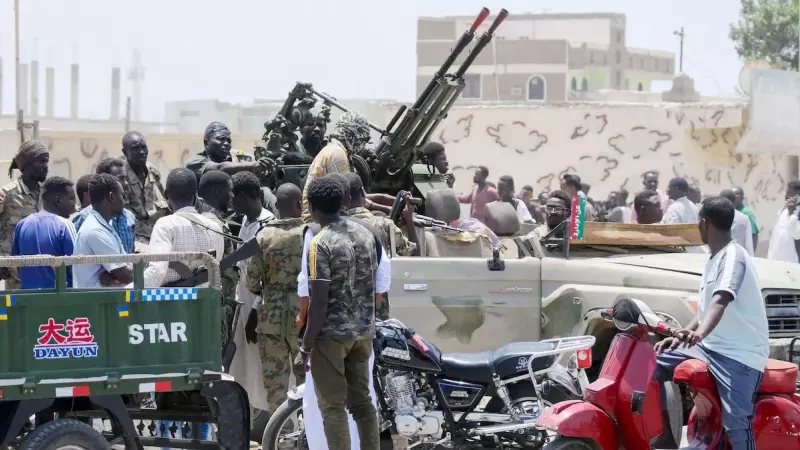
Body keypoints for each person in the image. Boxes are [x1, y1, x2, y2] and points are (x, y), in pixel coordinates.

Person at [654, 196, 768, 450]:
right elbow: (706, 306)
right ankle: (667, 438)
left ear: (704, 223)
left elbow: (722, 299)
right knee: (657, 361)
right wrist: (687, 333)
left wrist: (700, 334)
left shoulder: (733, 256)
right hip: (711, 348)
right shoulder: (714, 257)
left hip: (740, 355)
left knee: (736, 425)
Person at [299, 176, 381, 450]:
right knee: (363, 403)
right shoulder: (366, 233)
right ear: (344, 202)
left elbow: (319, 302)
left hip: (331, 338)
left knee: (333, 408)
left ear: (311, 206)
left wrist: (306, 346)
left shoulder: (319, 243)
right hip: (363, 333)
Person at [242, 182, 305, 420]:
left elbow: (252, 284)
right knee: (307, 382)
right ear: (300, 204)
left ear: (276, 206)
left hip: (271, 320)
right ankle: (307, 436)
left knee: (276, 389)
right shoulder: (311, 233)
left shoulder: (263, 236)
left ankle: (281, 437)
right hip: (303, 319)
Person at [227, 171, 275, 415]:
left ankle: (271, 419)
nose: (230, 201)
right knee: (242, 361)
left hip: (257, 304)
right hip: (242, 299)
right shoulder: (247, 221)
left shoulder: (267, 224)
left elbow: (267, 276)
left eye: (233, 196)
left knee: (260, 361)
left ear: (244, 195)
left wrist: (255, 312)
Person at [345, 171, 416, 320]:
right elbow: (414, 254)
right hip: (376, 312)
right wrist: (409, 220)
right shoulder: (384, 225)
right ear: (363, 193)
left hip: (343, 313)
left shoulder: (331, 228)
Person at [142, 168, 224, 287]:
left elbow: (157, 271)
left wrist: (130, 292)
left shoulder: (165, 225)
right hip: (206, 302)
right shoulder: (215, 227)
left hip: (171, 302)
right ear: (196, 196)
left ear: (166, 195)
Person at [300, 111, 373, 222]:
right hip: (316, 221)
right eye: (363, 140)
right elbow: (349, 199)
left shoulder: (334, 149)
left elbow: (360, 198)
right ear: (352, 135)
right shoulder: (337, 154)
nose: (362, 145)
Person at [196, 170, 239, 349]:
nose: (232, 196)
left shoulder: (200, 221)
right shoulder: (215, 227)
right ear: (218, 193)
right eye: (229, 191)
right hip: (218, 307)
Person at [12, 176, 78, 289]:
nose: (75, 205)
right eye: (71, 198)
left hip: (29, 299)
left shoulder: (22, 224)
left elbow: (17, 265)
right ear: (58, 200)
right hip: (58, 300)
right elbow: (75, 268)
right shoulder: (65, 225)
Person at [0, 140, 49, 289]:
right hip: (16, 275)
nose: (46, 166)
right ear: (28, 164)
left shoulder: (47, 194)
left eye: (47, 162)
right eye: (42, 161)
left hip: (44, 271)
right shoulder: (8, 194)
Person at [73, 174, 133, 288]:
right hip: (96, 303)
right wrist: (120, 273)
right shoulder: (96, 231)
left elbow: (126, 264)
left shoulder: (105, 225)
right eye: (122, 196)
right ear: (111, 197)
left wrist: (114, 273)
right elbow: (126, 275)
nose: (124, 201)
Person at [73, 157, 137, 254]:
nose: (126, 183)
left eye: (126, 178)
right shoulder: (84, 218)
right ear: (104, 181)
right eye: (121, 179)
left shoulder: (129, 217)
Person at [185, 121, 274, 183]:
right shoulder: (196, 161)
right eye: (221, 139)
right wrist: (253, 166)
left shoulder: (236, 160)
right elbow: (219, 168)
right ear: (206, 142)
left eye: (229, 141)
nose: (226, 143)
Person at [122, 131, 169, 245]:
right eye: (135, 148)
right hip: (134, 238)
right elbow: (123, 217)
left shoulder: (152, 171)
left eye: (143, 147)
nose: (141, 152)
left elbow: (165, 206)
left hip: (160, 234)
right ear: (125, 152)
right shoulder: (121, 177)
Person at [767, 180, 800, 263]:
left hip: (791, 262)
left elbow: (796, 234)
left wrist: (792, 214)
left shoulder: (797, 212)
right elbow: (776, 234)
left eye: (789, 190)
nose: (787, 193)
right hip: (775, 259)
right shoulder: (784, 209)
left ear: (797, 193)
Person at [720, 189, 754, 256]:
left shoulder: (714, 217)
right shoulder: (744, 219)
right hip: (737, 258)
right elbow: (748, 246)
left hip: (720, 257)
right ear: (734, 201)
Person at [732, 187, 759, 252]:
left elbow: (754, 235)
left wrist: (751, 255)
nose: (732, 198)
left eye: (735, 195)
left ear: (742, 198)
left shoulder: (747, 213)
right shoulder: (730, 212)